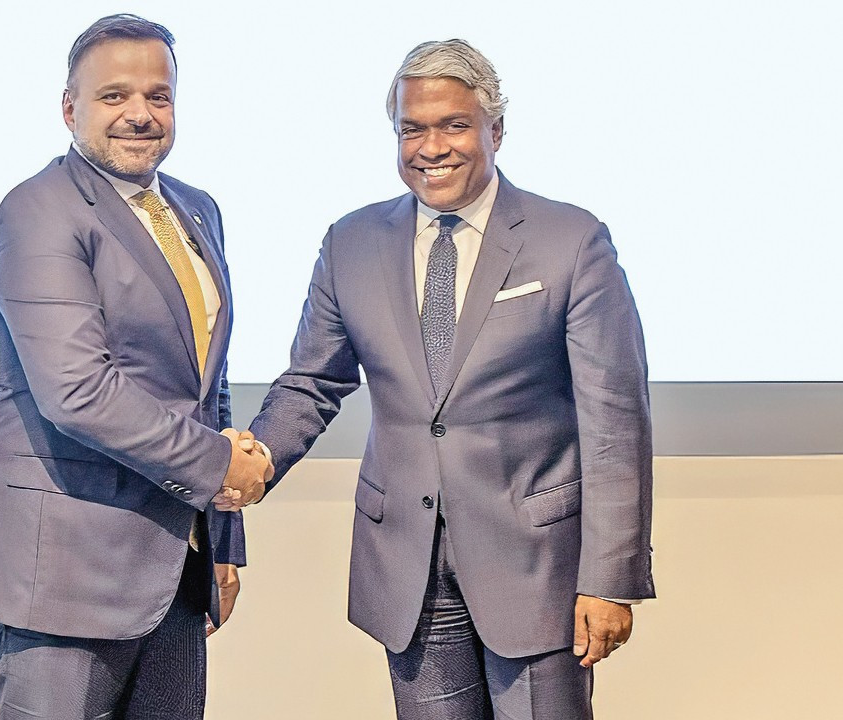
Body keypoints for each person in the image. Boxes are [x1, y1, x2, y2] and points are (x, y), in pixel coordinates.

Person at [245, 39, 654, 719]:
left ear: (496, 129)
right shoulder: (350, 243)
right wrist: (251, 460)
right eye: (412, 129)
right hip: (407, 571)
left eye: (454, 125)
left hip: (538, 570)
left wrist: (610, 578)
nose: (431, 147)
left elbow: (614, 423)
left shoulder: (571, 241)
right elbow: (312, 382)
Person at [0, 14, 270, 720]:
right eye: (114, 95)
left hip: (178, 571)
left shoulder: (196, 210)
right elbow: (77, 390)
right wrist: (220, 465)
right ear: (70, 109)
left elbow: (205, 388)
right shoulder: (37, 210)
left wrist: (222, 537)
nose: (140, 113)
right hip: (63, 580)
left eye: (159, 96)